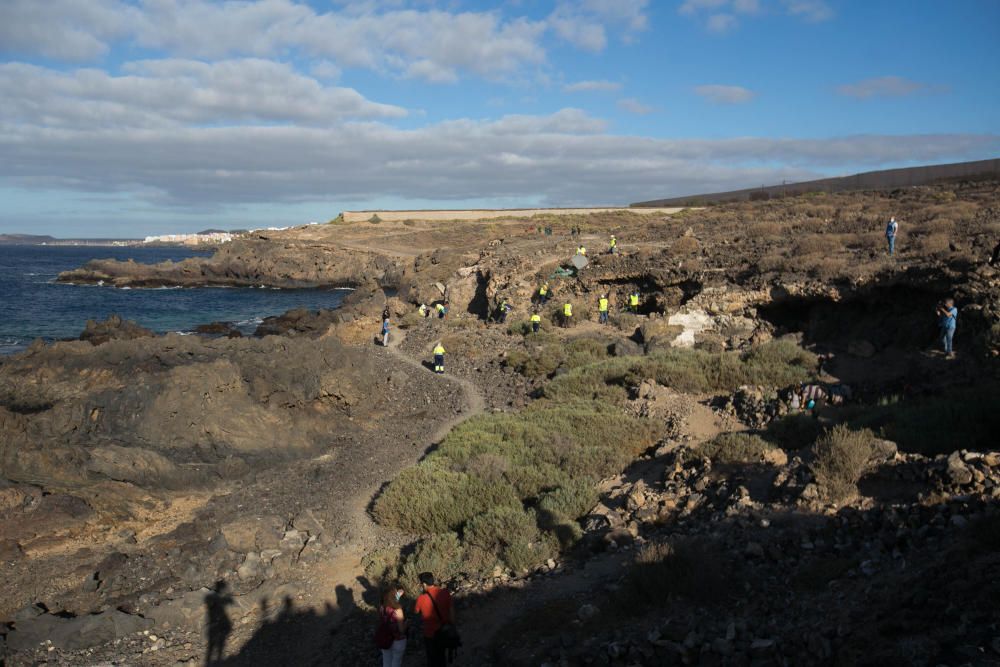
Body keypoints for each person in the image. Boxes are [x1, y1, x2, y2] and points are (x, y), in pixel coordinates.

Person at [413, 572, 455, 667]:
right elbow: (452, 613)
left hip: (429, 634)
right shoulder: (445, 593)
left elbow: (416, 611)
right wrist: (451, 626)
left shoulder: (421, 598)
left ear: (424, 584)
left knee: (432, 659)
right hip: (444, 631)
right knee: (441, 657)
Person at [376, 584, 407, 667]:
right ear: (393, 596)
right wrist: (407, 623)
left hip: (385, 638)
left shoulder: (381, 607)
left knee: (386, 661)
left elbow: (390, 600)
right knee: (396, 662)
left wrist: (397, 595)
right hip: (398, 640)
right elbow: (401, 630)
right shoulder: (398, 610)